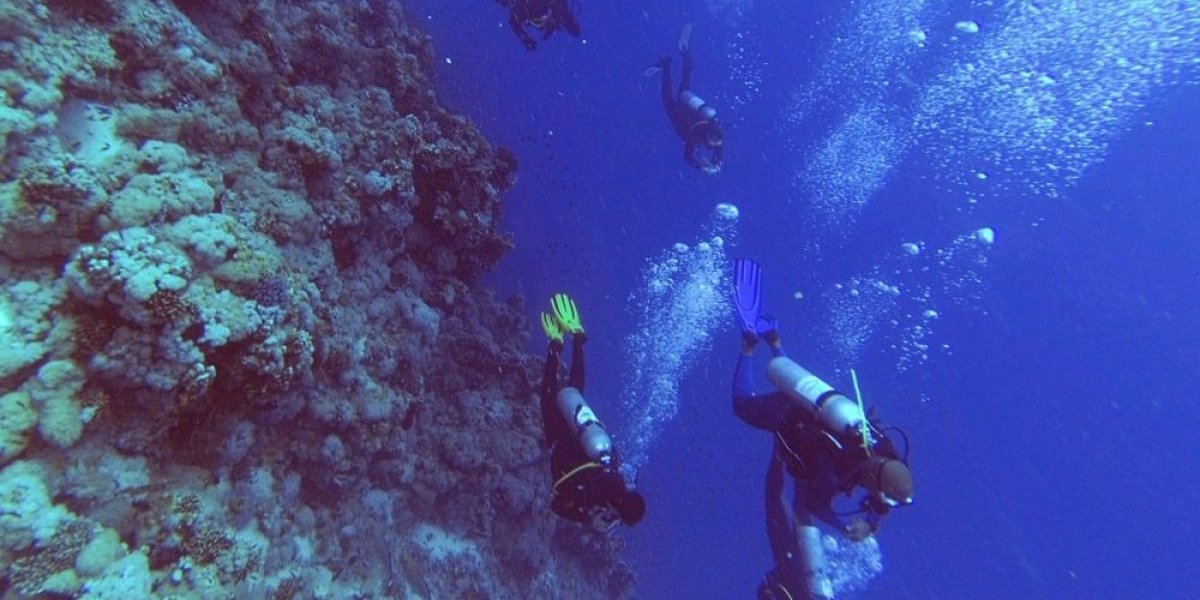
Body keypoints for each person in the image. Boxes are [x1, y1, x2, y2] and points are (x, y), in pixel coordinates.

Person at [729, 259, 914, 600]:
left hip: (821, 404)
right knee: (742, 405)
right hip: (792, 417)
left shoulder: (886, 450)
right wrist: (846, 527)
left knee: (793, 393)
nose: (882, 502)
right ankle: (750, 346)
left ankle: (775, 339)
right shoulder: (834, 477)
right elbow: (812, 505)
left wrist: (873, 522)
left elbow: (887, 496)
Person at [538, 292, 645, 533]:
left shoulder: (618, 476)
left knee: (576, 392)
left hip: (587, 434)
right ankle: (555, 343)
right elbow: (557, 505)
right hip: (560, 441)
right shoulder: (591, 497)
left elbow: (613, 458)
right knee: (548, 398)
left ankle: (577, 338)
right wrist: (584, 517)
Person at [655, 23, 725, 174]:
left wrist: (717, 163)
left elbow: (719, 148)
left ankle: (686, 57)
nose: (713, 145)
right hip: (679, 115)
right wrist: (702, 167)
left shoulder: (716, 131)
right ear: (710, 135)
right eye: (713, 141)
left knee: (684, 88)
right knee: (667, 98)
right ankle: (667, 65)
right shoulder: (698, 134)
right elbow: (687, 155)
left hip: (688, 109)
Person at [497, 0, 581, 50]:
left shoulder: (557, 10)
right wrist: (524, 38)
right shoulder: (523, 11)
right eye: (539, 22)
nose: (546, 20)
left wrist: (525, 39)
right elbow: (513, 21)